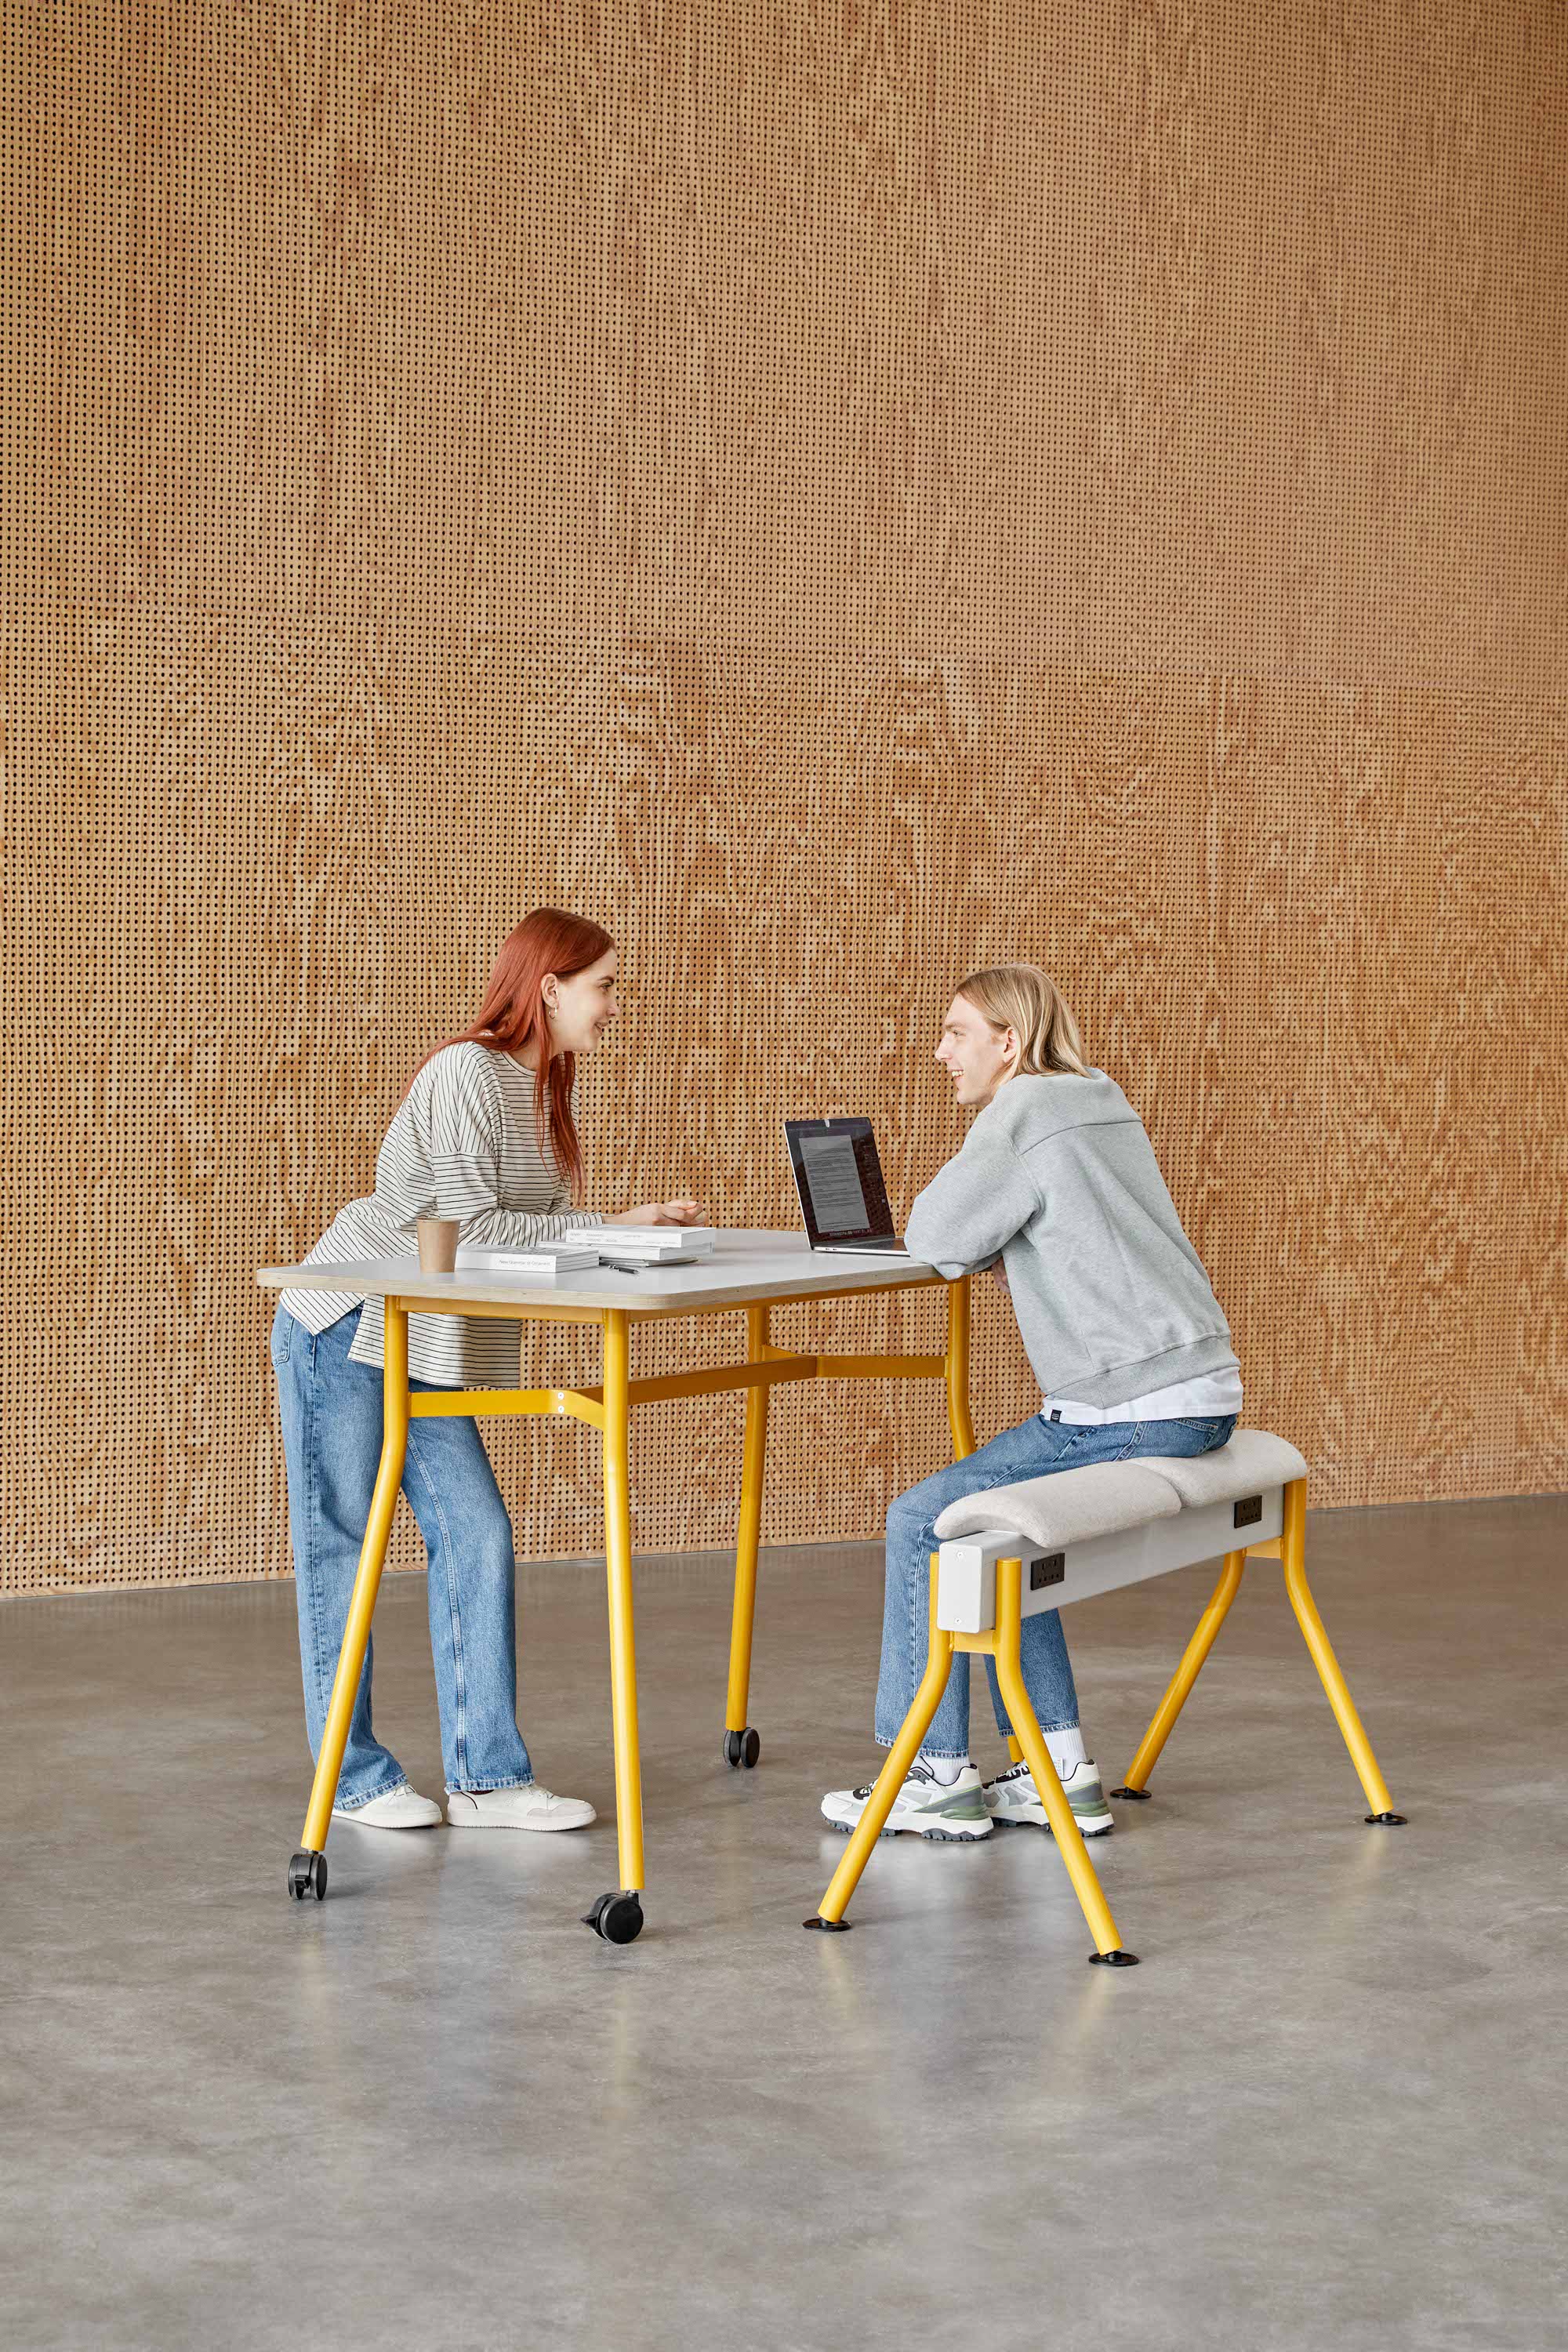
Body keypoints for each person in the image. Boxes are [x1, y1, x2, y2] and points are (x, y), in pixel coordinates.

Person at [271, 909, 701, 1832]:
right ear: (548, 987)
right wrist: (609, 1228)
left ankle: (488, 1779)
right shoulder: (467, 1070)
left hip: (420, 1341)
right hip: (346, 1325)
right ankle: (351, 1780)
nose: (613, 1005)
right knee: (342, 1547)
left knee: (477, 1535)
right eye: (603, 986)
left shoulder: (541, 1085)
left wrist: (617, 1233)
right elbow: (472, 1233)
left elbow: (518, 1235)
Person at [822, 964, 1241, 1842]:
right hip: (1201, 1391)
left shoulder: (1019, 1112)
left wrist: (980, 1209)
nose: (941, 1053)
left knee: (922, 1520)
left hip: (1129, 1404)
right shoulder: (1097, 1096)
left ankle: (930, 1774)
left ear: (1008, 1043)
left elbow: (935, 1236)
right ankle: (1059, 1770)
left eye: (956, 1034)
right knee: (1002, 1532)